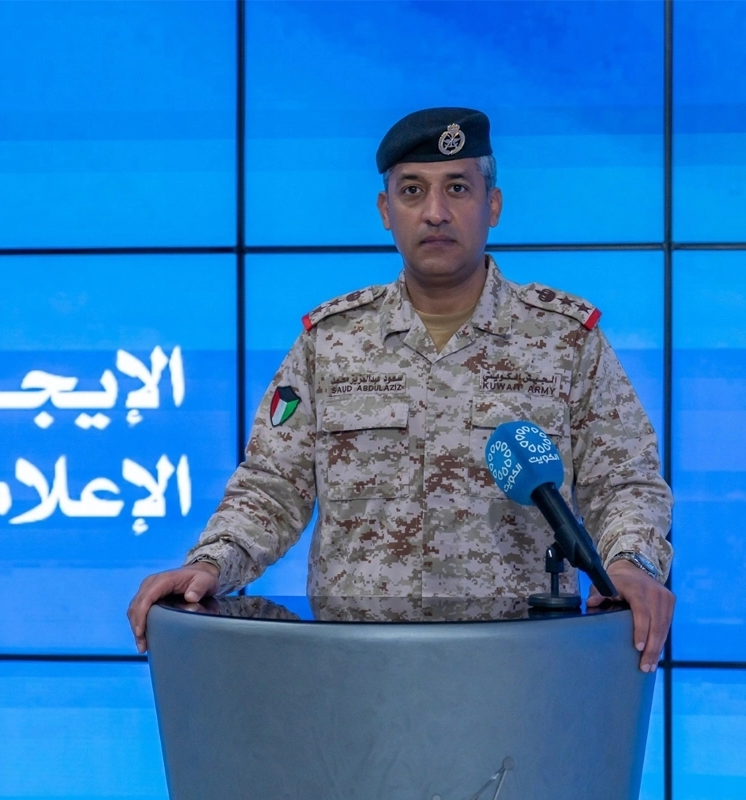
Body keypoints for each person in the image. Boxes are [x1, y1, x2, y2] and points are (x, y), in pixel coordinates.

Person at [128, 108, 674, 671]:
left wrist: (631, 563)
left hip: (519, 672)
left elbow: (625, 481)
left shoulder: (566, 340)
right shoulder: (329, 342)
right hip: (356, 670)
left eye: (457, 188)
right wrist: (211, 564)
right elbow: (272, 486)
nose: (435, 212)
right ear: (386, 211)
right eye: (412, 191)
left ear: (493, 205)